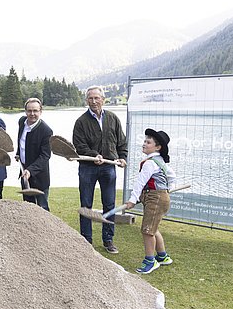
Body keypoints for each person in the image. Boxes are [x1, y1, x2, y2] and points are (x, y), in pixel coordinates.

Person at [73, 86, 128, 253]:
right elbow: (79, 145)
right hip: (88, 168)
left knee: (109, 204)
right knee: (86, 204)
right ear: (86, 101)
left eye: (97, 98)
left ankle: (108, 239)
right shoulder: (81, 122)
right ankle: (86, 240)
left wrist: (122, 157)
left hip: (108, 168)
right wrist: (93, 155)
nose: (94, 101)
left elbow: (121, 142)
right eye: (90, 98)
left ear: (103, 99)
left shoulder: (112, 118)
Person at [123, 129, 177, 274]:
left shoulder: (149, 163)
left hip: (156, 198)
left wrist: (132, 200)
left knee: (147, 231)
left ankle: (150, 260)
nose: (144, 144)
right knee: (153, 227)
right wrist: (168, 188)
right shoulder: (160, 161)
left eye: (148, 142)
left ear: (158, 147)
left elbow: (140, 183)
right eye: (145, 141)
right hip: (159, 197)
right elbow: (172, 177)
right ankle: (162, 257)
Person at [16, 98, 53, 210]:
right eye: (29, 111)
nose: (32, 114)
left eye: (35, 111)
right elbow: (22, 141)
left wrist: (30, 170)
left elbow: (45, 156)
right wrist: (19, 153)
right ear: (25, 111)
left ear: (40, 112)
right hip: (24, 174)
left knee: (42, 208)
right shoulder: (22, 121)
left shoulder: (46, 131)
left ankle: (47, 228)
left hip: (40, 177)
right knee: (28, 208)